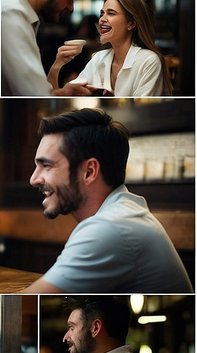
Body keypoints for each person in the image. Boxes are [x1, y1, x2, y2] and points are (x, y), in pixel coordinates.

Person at [25, 107, 193, 293]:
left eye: (46, 166)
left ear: (89, 171)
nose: (34, 179)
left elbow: (31, 297)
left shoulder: (110, 227)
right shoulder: (122, 214)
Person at [1, 0, 90, 96]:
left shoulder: (12, 8)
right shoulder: (11, 14)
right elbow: (33, 95)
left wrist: (62, 91)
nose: (71, 7)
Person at [49, 0, 173, 96]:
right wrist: (56, 66)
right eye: (102, 13)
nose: (102, 19)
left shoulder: (148, 60)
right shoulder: (99, 58)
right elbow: (54, 96)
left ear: (131, 24)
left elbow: (143, 111)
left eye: (111, 13)